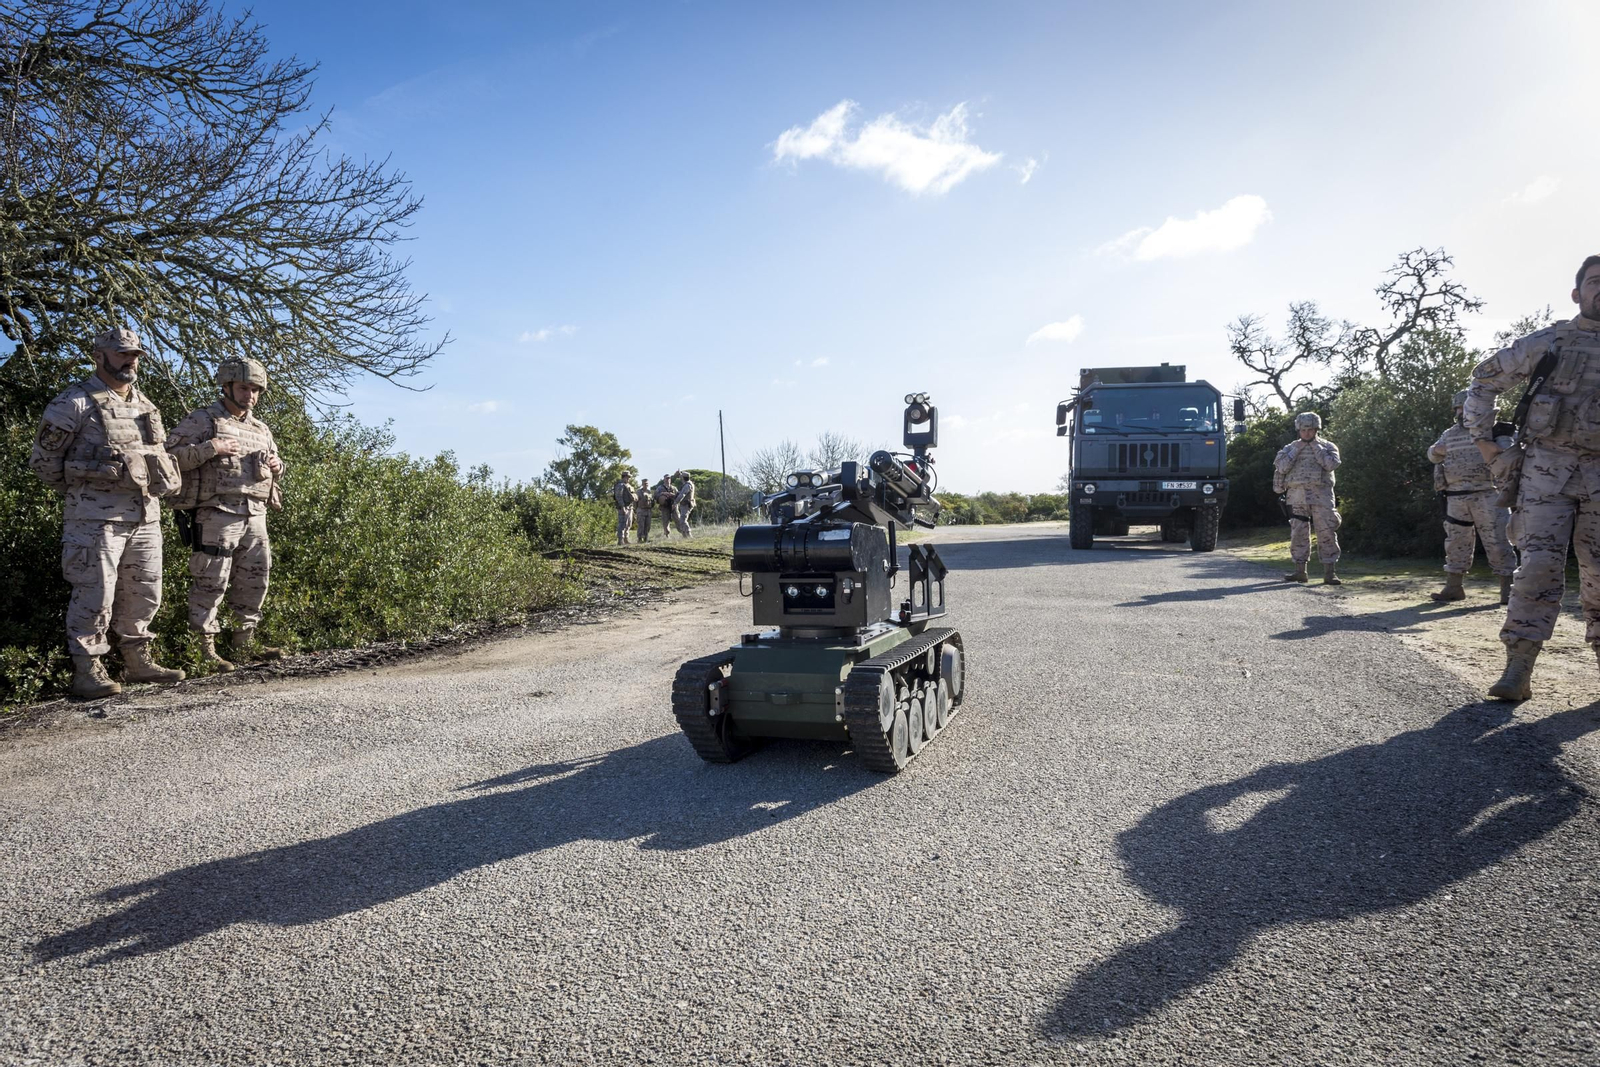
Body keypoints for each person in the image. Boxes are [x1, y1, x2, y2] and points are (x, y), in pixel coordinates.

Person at [1464, 254, 1600, 701]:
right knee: (1538, 568)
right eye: (1595, 282)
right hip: (1546, 473)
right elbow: (1483, 380)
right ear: (1577, 293)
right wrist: (1486, 444)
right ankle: (1518, 669)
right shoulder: (1551, 342)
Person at [29, 327, 186, 697]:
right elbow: (44, 463)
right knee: (94, 592)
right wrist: (86, 487)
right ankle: (88, 670)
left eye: (135, 355)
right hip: (95, 519)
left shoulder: (145, 405)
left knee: (145, 590)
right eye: (122, 354)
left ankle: (138, 661)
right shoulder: (74, 403)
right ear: (99, 356)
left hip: (144, 515)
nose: (130, 361)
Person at [165, 358, 284, 672]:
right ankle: (204, 649)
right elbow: (168, 457)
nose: (251, 395)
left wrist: (277, 467)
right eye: (245, 387)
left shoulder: (261, 428)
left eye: (256, 389)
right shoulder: (203, 419)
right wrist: (210, 448)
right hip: (217, 512)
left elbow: (275, 464)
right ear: (227, 386)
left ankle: (244, 643)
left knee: (255, 579)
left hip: (255, 515)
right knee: (211, 581)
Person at [1427, 390, 1517, 604]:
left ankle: (1508, 590)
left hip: (1489, 495)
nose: (1460, 412)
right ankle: (1453, 588)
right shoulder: (1449, 433)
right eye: (1457, 408)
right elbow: (1432, 454)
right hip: (1456, 496)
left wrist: (1488, 443)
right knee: (1456, 542)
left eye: (1463, 407)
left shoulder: (1496, 430)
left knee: (1498, 540)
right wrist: (1435, 450)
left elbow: (1509, 454)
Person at [1273, 412, 1342, 585]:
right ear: (1298, 429)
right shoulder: (1290, 448)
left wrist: (1316, 447)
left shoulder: (1328, 447)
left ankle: (1330, 573)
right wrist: (1297, 449)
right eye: (1304, 430)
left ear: (1317, 429)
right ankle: (1300, 571)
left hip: (1322, 497)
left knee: (1326, 532)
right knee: (1298, 533)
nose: (1307, 433)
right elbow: (1281, 467)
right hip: (1297, 496)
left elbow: (1331, 464)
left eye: (1311, 430)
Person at [611, 468, 636, 546]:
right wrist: (623, 507)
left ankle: (626, 538)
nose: (629, 479)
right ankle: (620, 540)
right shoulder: (620, 485)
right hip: (623, 507)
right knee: (622, 524)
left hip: (630, 507)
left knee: (628, 524)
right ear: (624, 477)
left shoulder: (628, 485)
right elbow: (619, 497)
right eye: (628, 477)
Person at [674, 470, 697, 538]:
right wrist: (679, 473)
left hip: (686, 504)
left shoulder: (687, 485)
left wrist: (675, 503)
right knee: (682, 520)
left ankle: (689, 535)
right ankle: (685, 536)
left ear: (683, 478)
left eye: (681, 477)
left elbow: (682, 494)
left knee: (683, 520)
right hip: (685, 504)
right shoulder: (688, 483)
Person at [653, 474, 677, 540]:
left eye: (669, 478)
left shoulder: (674, 488)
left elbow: (678, 496)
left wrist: (673, 495)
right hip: (665, 507)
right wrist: (663, 493)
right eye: (666, 478)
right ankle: (667, 535)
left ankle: (684, 533)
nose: (668, 480)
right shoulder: (660, 488)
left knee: (678, 519)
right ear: (664, 479)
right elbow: (655, 496)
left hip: (673, 506)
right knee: (665, 521)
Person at [634, 476, 653, 543]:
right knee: (641, 525)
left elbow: (652, 501)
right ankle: (639, 538)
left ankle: (646, 538)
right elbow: (635, 501)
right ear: (642, 484)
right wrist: (636, 510)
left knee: (648, 525)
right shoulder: (638, 492)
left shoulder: (649, 492)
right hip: (641, 510)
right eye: (644, 483)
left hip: (648, 510)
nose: (646, 485)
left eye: (647, 483)